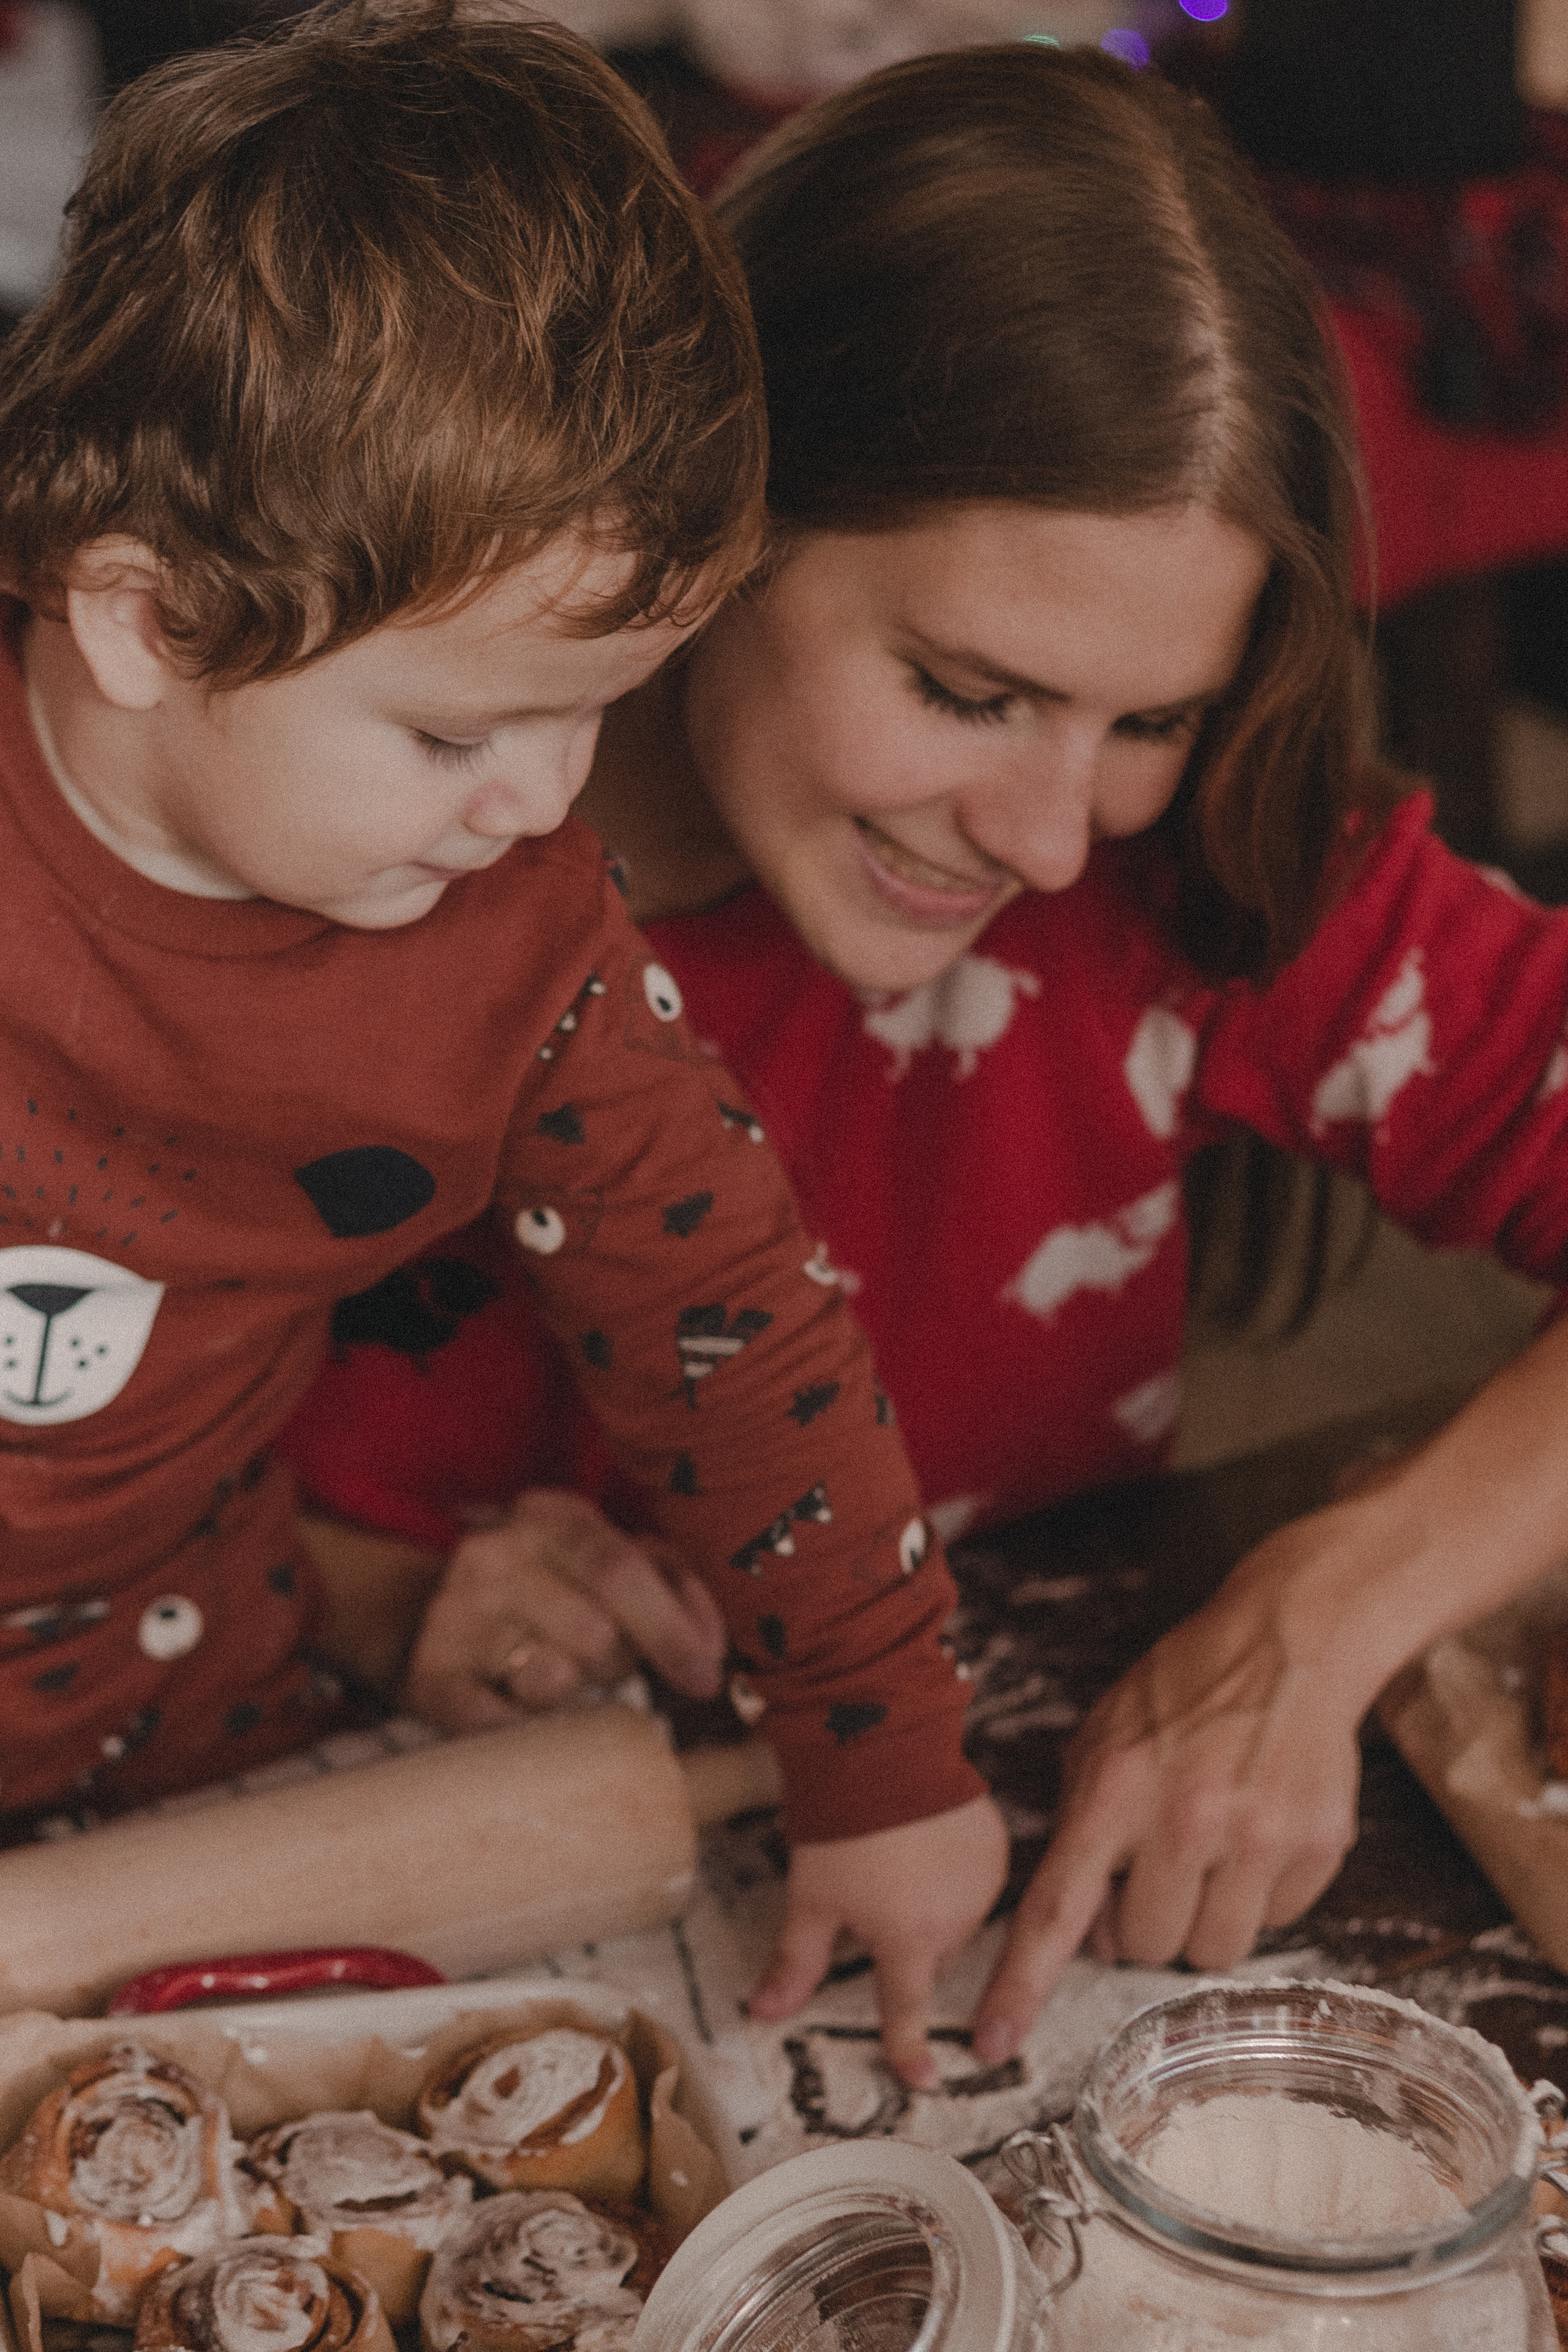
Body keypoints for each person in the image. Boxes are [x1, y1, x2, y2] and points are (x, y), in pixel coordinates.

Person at [284, 39, 1568, 2076]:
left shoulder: (1182, 867)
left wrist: (1330, 1603)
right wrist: (356, 1591)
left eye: (1150, 721)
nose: (1052, 841)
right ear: (714, 518)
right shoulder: (320, 853)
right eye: (970, 691)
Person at [0, 0, 1012, 2070]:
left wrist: (886, 1761)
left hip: (205, 1763)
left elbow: (733, 1320)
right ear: (147, 616)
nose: (545, 804)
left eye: (594, 715)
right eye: (461, 731)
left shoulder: (521, 936)